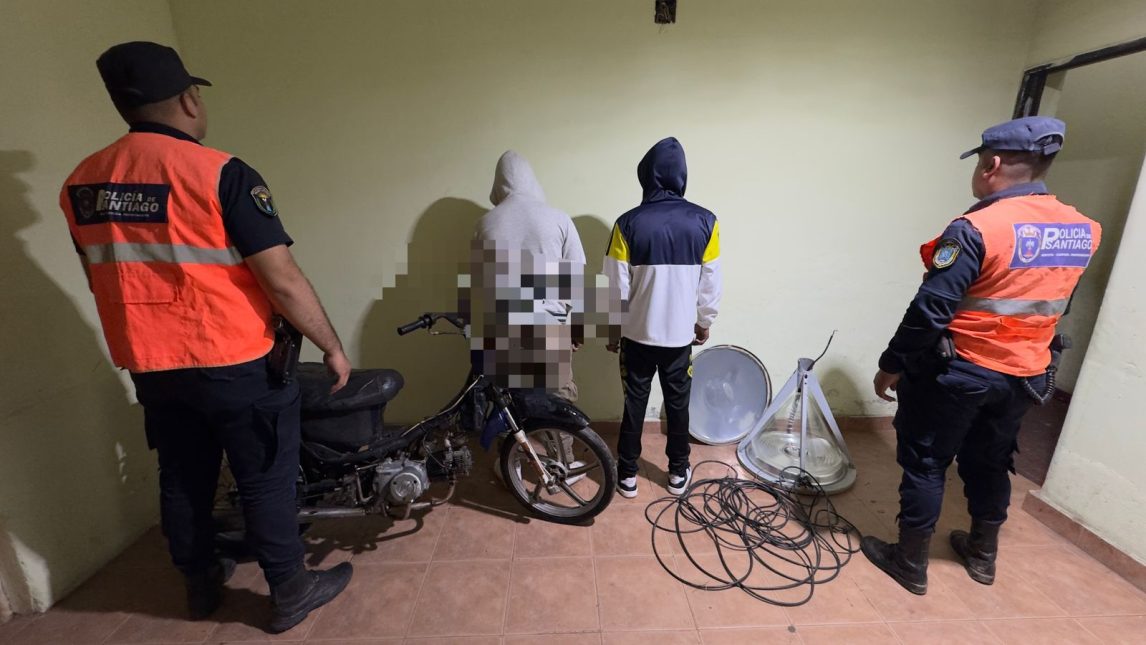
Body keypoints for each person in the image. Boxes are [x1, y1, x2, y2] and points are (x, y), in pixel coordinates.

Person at [60, 41, 353, 632]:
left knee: (183, 473)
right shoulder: (219, 172)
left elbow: (101, 271)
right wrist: (330, 342)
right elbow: (283, 279)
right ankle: (291, 589)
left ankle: (199, 583)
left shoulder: (81, 185)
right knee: (264, 476)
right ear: (190, 99)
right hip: (234, 361)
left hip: (151, 363)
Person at [864, 116, 1101, 595]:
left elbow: (930, 310)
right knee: (991, 461)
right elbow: (1055, 302)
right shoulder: (1083, 230)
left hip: (960, 370)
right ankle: (982, 554)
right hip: (1026, 374)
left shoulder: (976, 228)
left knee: (927, 462)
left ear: (991, 164)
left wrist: (892, 365)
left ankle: (909, 562)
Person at [603, 137, 722, 499]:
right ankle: (677, 472)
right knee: (678, 403)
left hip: (637, 336)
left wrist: (612, 331)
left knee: (634, 401)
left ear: (647, 176)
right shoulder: (706, 222)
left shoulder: (627, 223)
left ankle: (626, 475)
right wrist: (704, 321)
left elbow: (613, 287)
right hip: (678, 339)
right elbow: (711, 281)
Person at [474, 149, 587, 400]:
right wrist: (575, 328)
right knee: (557, 399)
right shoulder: (559, 219)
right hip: (551, 322)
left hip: (505, 325)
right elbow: (575, 278)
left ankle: (513, 441)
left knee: (510, 401)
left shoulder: (485, 223)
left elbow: (481, 284)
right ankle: (556, 441)